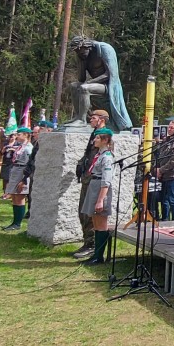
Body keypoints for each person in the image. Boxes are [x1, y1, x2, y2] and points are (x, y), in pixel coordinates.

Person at [72, 110, 110, 259]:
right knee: (83, 211)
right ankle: (88, 241)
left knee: (90, 214)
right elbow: (89, 154)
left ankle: (92, 244)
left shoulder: (104, 135)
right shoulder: (95, 134)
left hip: (94, 179)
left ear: (101, 120)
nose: (90, 120)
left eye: (93, 118)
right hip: (88, 177)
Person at [81, 128, 117, 266]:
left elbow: (106, 180)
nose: (93, 140)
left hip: (101, 189)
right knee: (95, 222)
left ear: (105, 140)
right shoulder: (99, 155)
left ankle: (99, 256)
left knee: (101, 223)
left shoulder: (107, 157)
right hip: (94, 185)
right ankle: (96, 254)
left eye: (97, 138)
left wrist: (101, 200)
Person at [0, 129, 33, 231]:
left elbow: (29, 162)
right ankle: (14, 222)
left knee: (19, 196)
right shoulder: (20, 146)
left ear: (26, 135)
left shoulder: (28, 148)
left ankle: (17, 223)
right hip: (15, 169)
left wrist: (24, 178)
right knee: (14, 196)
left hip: (22, 170)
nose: (17, 136)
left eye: (19, 134)